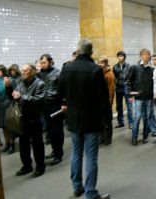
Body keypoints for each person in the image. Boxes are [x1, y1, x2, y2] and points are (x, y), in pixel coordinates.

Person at [59, 39, 110, 199]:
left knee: (76, 154)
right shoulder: (95, 70)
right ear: (91, 52)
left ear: (77, 50)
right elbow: (103, 99)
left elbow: (61, 92)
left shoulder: (67, 68)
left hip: (73, 119)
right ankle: (91, 193)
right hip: (91, 120)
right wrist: (107, 119)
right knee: (91, 156)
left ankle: (77, 187)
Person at [6, 64, 46, 178]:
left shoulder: (40, 84)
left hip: (34, 119)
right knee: (23, 145)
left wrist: (22, 97)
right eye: (22, 71)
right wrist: (9, 88)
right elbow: (14, 96)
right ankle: (27, 166)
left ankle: (40, 167)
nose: (22, 72)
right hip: (22, 119)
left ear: (33, 71)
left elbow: (40, 100)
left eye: (25, 71)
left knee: (37, 144)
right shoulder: (21, 82)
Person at [38, 54, 64, 166]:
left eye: (44, 62)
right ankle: (54, 150)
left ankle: (59, 154)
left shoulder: (58, 73)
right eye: (41, 63)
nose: (42, 65)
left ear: (50, 62)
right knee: (49, 130)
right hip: (45, 104)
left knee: (56, 130)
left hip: (56, 104)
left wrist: (64, 102)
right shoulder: (39, 74)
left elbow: (64, 89)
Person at [126, 49, 155, 146]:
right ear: (141, 56)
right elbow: (129, 81)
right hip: (138, 98)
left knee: (147, 117)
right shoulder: (135, 67)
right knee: (137, 117)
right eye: (146, 54)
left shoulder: (152, 69)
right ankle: (134, 137)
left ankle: (145, 136)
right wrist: (130, 93)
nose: (148, 56)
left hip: (149, 98)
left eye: (149, 54)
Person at [113, 51, 133, 129]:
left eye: (121, 56)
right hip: (118, 88)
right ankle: (120, 122)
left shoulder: (129, 66)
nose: (120, 57)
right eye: (118, 56)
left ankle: (131, 123)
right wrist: (117, 83)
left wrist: (128, 85)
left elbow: (131, 77)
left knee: (129, 106)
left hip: (126, 87)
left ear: (124, 57)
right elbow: (114, 77)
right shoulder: (115, 67)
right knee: (119, 106)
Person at [98, 56, 115, 145]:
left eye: (101, 63)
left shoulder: (109, 74)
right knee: (100, 121)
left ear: (105, 63)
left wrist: (110, 101)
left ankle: (108, 138)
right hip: (99, 101)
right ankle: (102, 137)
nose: (99, 64)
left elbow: (111, 89)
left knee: (107, 121)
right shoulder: (98, 73)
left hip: (106, 101)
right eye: (99, 62)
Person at [0, 65, 12, 153]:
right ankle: (7, 143)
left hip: (7, 105)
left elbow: (4, 93)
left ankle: (12, 144)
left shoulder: (7, 80)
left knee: (9, 127)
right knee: (3, 127)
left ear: (3, 71)